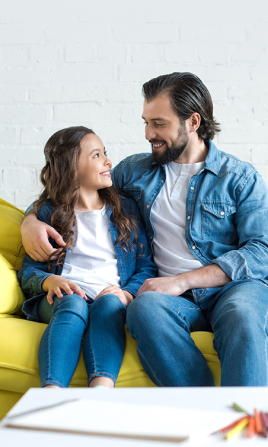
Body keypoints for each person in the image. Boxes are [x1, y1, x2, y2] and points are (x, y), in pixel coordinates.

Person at [21, 73, 268, 387]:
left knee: (244, 317)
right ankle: (203, 416)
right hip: (165, 297)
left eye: (159, 123)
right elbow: (71, 190)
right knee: (143, 309)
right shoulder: (134, 171)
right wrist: (31, 221)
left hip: (233, 289)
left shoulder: (239, 177)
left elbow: (261, 250)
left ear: (193, 122)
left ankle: (248, 430)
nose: (149, 133)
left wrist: (181, 281)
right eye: (146, 122)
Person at [18, 126, 157, 389]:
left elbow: (146, 266)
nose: (108, 161)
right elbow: (28, 272)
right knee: (73, 303)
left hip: (110, 297)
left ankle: (101, 391)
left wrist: (126, 293)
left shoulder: (124, 209)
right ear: (71, 167)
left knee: (108, 305)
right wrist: (50, 282)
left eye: (105, 153)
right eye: (96, 155)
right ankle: (50, 393)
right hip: (62, 299)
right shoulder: (49, 214)